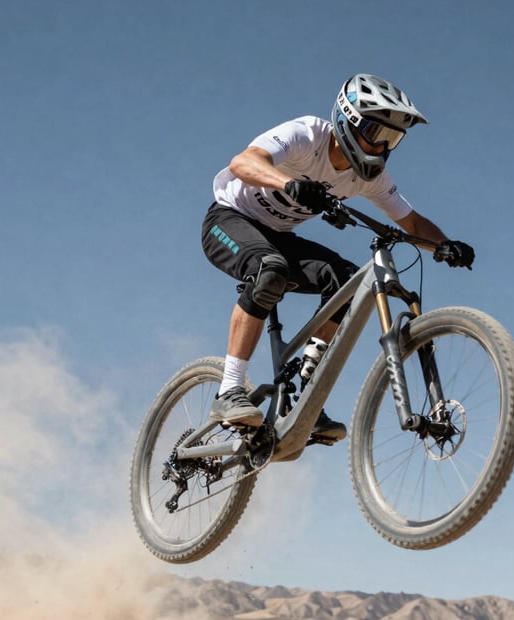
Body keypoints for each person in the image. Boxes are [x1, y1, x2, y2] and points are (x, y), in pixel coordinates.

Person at [201, 73, 474, 440]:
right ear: (348, 121)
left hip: (279, 237)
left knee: (347, 284)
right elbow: (243, 163)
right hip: (230, 219)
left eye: (391, 139)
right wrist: (288, 183)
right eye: (377, 134)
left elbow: (409, 220)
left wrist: (444, 245)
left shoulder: (369, 179)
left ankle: (305, 398)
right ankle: (229, 390)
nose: (381, 147)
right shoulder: (306, 135)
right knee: (270, 270)